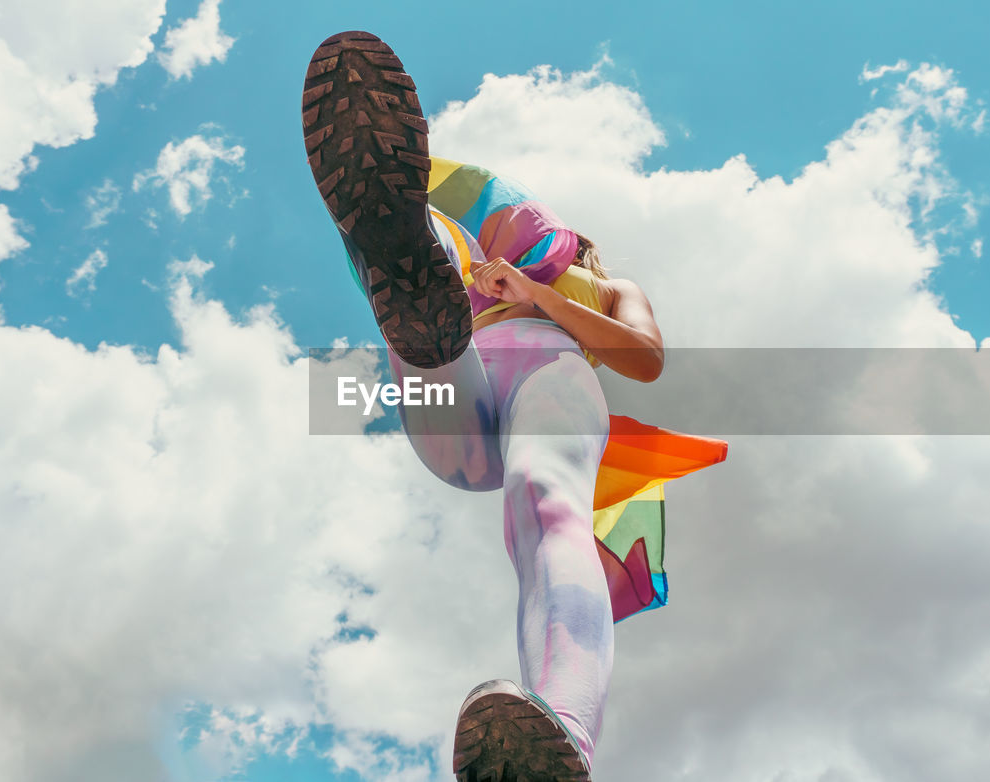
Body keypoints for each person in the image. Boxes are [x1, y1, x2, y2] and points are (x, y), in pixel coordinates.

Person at [303, 30, 721, 782]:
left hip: (550, 370)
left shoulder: (610, 286)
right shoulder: (471, 266)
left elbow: (645, 360)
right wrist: (469, 276)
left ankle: (559, 734)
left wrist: (539, 296)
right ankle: (397, 240)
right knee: (425, 335)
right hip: (457, 370)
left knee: (542, 498)